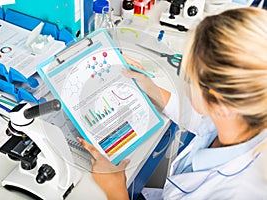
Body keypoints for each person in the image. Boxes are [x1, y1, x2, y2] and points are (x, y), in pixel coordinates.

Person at [78, 7, 267, 199]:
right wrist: (148, 86)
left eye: (188, 76)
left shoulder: (236, 192)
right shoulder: (244, 118)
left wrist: (115, 188)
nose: (184, 82)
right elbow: (203, 122)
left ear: (221, 104)